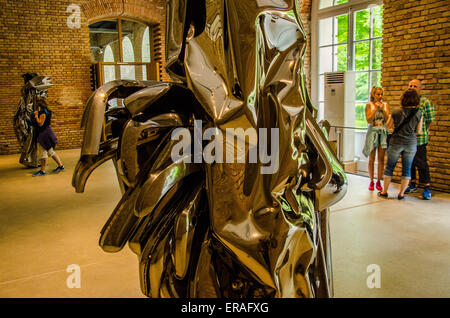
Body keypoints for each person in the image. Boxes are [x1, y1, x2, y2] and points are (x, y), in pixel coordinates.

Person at [378, 89, 423, 200]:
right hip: (411, 143)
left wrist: (395, 130)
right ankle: (401, 194)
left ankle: (384, 192)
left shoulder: (395, 111)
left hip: (396, 142)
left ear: (403, 99)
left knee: (389, 167)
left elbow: (387, 127)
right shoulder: (419, 113)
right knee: (407, 169)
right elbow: (419, 131)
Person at [404, 79, 435, 200]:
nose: (412, 87)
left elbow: (430, 120)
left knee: (421, 163)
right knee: (409, 163)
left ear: (420, 88)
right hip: (407, 138)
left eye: (415, 86)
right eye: (410, 85)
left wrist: (424, 131)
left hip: (420, 139)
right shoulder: (406, 101)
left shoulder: (425, 102)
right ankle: (412, 184)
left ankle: (427, 187)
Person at [362, 86, 390, 191]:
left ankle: (379, 180)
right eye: (378, 94)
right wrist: (375, 110)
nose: (380, 96)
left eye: (381, 94)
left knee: (381, 159)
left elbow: (388, 120)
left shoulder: (386, 105)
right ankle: (371, 180)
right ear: (373, 95)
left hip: (382, 132)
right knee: (371, 158)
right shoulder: (369, 105)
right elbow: (369, 120)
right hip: (373, 132)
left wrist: (382, 109)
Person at [32, 97, 65, 176]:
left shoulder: (43, 112)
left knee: (43, 152)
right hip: (47, 132)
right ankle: (61, 166)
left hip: (44, 134)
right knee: (50, 151)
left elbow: (40, 123)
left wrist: (36, 116)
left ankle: (42, 171)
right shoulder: (48, 111)